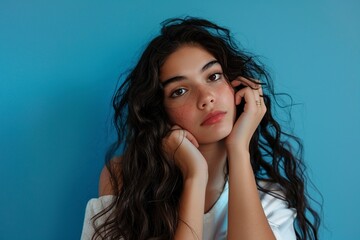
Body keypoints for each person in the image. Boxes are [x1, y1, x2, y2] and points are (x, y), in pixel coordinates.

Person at [81, 17, 320, 240]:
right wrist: (194, 177)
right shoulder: (126, 177)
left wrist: (238, 149)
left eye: (214, 76)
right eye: (180, 91)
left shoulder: (270, 199)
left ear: (236, 86)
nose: (206, 97)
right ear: (160, 111)